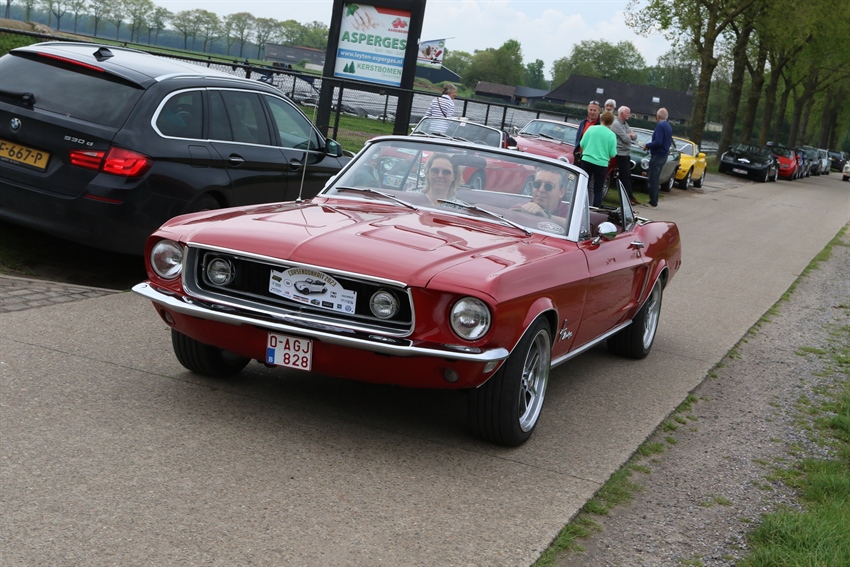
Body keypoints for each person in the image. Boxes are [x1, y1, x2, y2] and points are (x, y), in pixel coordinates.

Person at [579, 110, 618, 208]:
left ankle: (580, 204)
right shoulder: (612, 135)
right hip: (601, 163)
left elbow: (582, 144)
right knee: (598, 188)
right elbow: (613, 153)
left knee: (583, 185)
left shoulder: (591, 129)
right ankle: (596, 208)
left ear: (601, 118)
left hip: (587, 160)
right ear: (611, 122)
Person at [643, 107, 673, 208]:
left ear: (658, 116)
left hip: (657, 155)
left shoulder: (660, 126)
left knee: (653, 178)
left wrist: (647, 145)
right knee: (656, 177)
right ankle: (654, 199)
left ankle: (653, 201)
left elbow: (658, 141)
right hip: (664, 155)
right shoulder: (668, 126)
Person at [610, 105, 639, 206]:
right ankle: (626, 198)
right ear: (622, 113)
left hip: (625, 153)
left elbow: (635, 136)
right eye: (628, 113)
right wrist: (629, 134)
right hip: (620, 153)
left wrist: (630, 134)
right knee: (624, 176)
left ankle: (629, 196)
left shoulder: (625, 124)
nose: (629, 115)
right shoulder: (616, 124)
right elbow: (626, 139)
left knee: (627, 176)